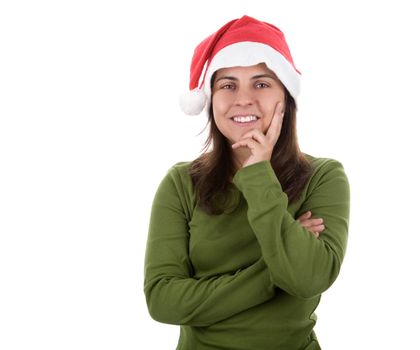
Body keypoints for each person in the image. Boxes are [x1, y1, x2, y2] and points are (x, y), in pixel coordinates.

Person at [144, 15, 350, 350]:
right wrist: (274, 267)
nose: (243, 99)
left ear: (286, 97)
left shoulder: (325, 176)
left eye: (262, 83)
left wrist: (258, 175)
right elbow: (164, 301)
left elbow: (308, 278)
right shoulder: (180, 183)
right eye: (227, 85)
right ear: (211, 99)